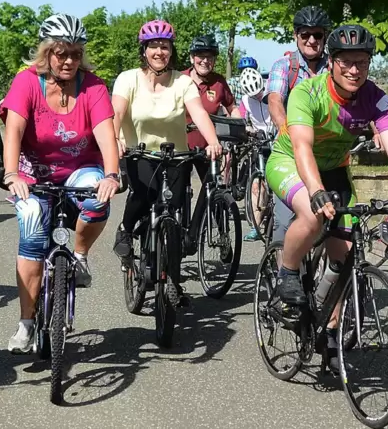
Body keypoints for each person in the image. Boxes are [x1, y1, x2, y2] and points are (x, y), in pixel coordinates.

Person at [265, 24, 388, 371]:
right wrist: (316, 191)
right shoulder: (308, 92)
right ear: (332, 62)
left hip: (336, 169)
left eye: (363, 63)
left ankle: (331, 332)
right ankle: (287, 274)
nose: (355, 70)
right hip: (290, 161)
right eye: (346, 62)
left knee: (345, 256)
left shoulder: (375, 97)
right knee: (311, 214)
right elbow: (302, 146)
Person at [0, 13, 120, 353]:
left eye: (75, 54)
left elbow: (106, 136)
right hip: (33, 173)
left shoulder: (93, 86)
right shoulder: (26, 82)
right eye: (61, 53)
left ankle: (79, 255)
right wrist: (11, 174)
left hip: (80, 169)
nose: (68, 61)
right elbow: (14, 131)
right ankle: (25, 323)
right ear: (47, 53)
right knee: (33, 230)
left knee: (98, 199)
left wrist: (111, 173)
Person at [111, 20, 222, 267]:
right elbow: (116, 114)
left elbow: (200, 113)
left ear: (172, 51)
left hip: (176, 156)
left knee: (172, 208)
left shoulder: (183, 83)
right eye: (153, 46)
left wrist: (213, 142)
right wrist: (114, 141)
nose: (159, 51)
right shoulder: (128, 79)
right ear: (143, 51)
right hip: (139, 153)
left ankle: (171, 277)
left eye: (165, 46)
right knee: (144, 194)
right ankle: (125, 230)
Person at [266, 6, 332, 244]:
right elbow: (274, 100)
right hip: (290, 155)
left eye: (318, 35)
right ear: (296, 36)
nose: (312, 40)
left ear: (325, 37)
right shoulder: (284, 66)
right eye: (305, 35)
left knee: (338, 224)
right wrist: (287, 128)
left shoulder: (336, 67)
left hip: (325, 153)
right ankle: (284, 276)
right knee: (286, 225)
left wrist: (376, 131)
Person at [183, 35, 241, 182]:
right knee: (177, 192)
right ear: (192, 58)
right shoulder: (179, 79)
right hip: (181, 147)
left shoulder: (219, 82)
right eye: (200, 56)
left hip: (208, 147)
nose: (205, 61)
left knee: (212, 188)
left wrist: (241, 127)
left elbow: (232, 107)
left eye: (210, 57)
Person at [237, 67, 273, 242]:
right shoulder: (245, 100)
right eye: (254, 95)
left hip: (277, 138)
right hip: (259, 142)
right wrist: (249, 130)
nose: (258, 96)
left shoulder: (272, 88)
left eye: (259, 92)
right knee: (257, 186)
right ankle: (256, 227)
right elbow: (242, 121)